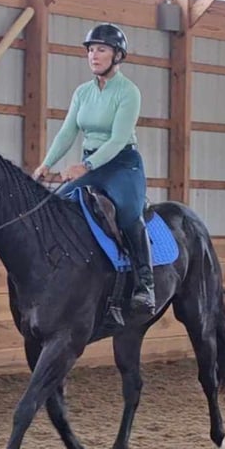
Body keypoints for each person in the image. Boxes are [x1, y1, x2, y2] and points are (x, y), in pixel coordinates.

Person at [32, 23, 155, 315]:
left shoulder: (128, 92)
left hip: (122, 163)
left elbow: (117, 139)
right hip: (91, 163)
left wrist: (85, 166)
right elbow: (67, 133)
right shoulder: (82, 93)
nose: (93, 55)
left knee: (127, 212)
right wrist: (45, 164)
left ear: (117, 55)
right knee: (59, 207)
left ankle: (145, 285)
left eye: (101, 49)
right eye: (90, 50)